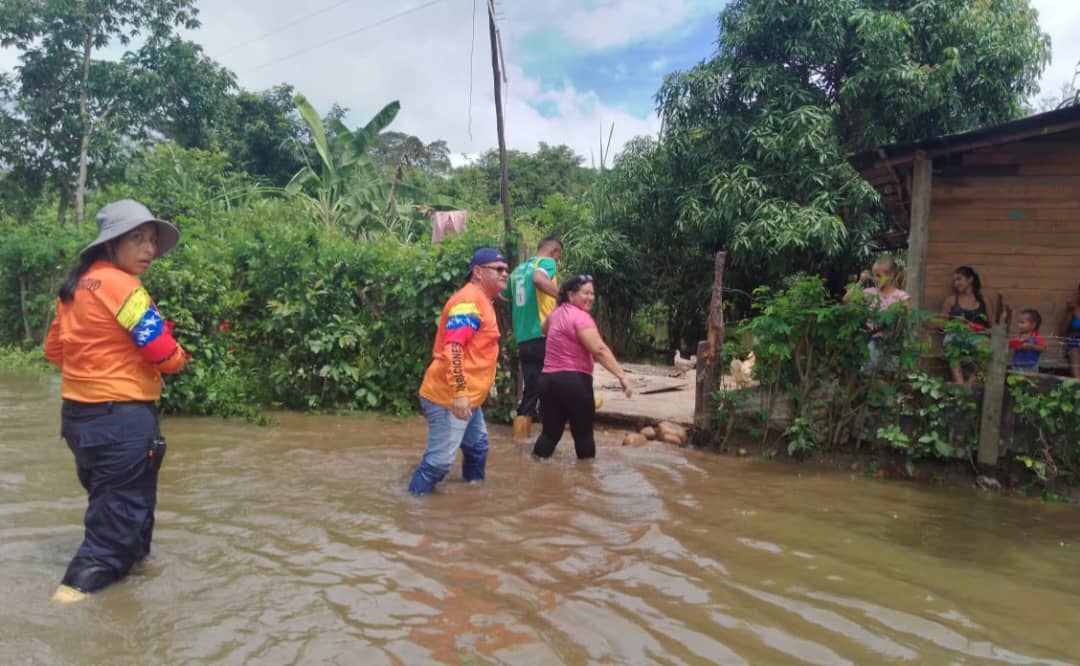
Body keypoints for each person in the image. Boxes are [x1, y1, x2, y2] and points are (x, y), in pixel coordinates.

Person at [43, 200, 187, 602]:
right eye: (137, 239)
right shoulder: (124, 287)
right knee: (110, 536)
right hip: (121, 420)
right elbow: (162, 353)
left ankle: (129, 601)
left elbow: (55, 351)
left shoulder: (75, 287)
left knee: (124, 516)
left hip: (78, 419)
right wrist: (177, 357)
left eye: (152, 241)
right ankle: (66, 607)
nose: (149, 250)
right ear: (111, 245)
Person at [408, 248, 508, 495]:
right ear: (478, 272)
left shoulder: (482, 300)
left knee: (477, 447)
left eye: (506, 269)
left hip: (468, 398)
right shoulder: (468, 301)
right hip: (449, 397)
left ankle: (472, 496)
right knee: (438, 463)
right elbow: (453, 347)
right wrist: (460, 391)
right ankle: (413, 508)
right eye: (498, 269)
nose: (505, 274)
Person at [532, 275, 633, 461]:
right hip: (575, 382)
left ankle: (536, 468)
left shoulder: (556, 314)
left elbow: (544, 330)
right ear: (571, 296)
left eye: (592, 293)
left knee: (549, 435)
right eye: (585, 293)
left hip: (548, 381)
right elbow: (599, 350)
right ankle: (587, 479)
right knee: (584, 436)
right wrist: (622, 376)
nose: (590, 298)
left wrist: (560, 306)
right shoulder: (581, 317)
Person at [503, 236, 561, 440]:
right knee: (557, 383)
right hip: (543, 335)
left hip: (523, 338)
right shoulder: (546, 262)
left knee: (532, 389)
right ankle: (550, 437)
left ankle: (520, 441)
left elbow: (502, 296)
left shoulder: (516, 272)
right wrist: (563, 297)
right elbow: (538, 279)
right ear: (555, 252)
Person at [844, 255, 910, 372]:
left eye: (879, 276)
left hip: (890, 342)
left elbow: (908, 318)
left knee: (884, 373)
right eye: (874, 275)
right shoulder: (870, 293)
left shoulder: (901, 296)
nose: (875, 279)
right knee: (867, 370)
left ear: (891, 276)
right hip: (869, 339)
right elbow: (846, 300)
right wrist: (860, 281)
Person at [938, 265, 993, 384]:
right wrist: (954, 323)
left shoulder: (984, 301)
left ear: (970, 280)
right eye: (954, 281)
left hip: (977, 337)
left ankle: (970, 385)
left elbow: (992, 326)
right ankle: (960, 384)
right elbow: (940, 324)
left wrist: (981, 330)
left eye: (959, 279)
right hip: (956, 335)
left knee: (986, 349)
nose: (956, 283)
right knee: (952, 348)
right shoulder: (951, 300)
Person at [1009, 309, 1046, 373]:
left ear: (1033, 325)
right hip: (1016, 366)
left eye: (1022, 323)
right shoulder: (1018, 336)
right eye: (1018, 322)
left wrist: (1031, 346)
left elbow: (1043, 348)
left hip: (1031, 367)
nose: (1019, 325)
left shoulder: (1037, 336)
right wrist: (1016, 344)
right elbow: (1011, 345)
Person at [1058, 283, 1080, 378]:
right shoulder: (1074, 309)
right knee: (1074, 351)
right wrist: (1068, 311)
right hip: (1075, 342)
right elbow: (1062, 332)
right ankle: (1078, 382)